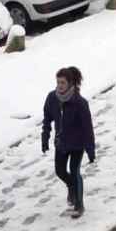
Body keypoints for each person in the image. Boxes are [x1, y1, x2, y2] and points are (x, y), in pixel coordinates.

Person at [41, 66, 96, 218]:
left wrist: (90, 150)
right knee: (60, 171)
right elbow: (47, 119)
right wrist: (45, 138)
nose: (59, 86)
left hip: (77, 144)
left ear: (71, 84)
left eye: (63, 83)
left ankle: (79, 206)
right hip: (61, 143)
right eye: (58, 82)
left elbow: (87, 128)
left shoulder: (80, 103)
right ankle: (72, 187)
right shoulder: (52, 98)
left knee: (74, 171)